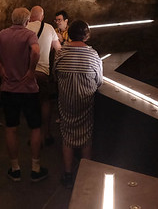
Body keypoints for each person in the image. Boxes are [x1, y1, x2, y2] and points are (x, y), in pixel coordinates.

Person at [0, 7, 49, 182]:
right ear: (27, 21)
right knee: (35, 127)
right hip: (28, 89)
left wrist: (0, 66)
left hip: (9, 89)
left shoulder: (2, 34)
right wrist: (31, 70)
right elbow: (35, 51)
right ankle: (35, 168)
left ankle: (15, 168)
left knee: (11, 128)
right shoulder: (29, 35)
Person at [53, 20, 103, 188]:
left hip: (66, 101)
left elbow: (55, 75)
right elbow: (99, 81)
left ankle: (68, 173)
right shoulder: (93, 55)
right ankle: (86, 175)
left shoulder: (61, 53)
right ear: (86, 35)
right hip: (85, 101)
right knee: (86, 136)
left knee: (66, 135)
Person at [26, 5, 61, 145]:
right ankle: (46, 133)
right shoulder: (49, 28)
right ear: (42, 16)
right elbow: (59, 49)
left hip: (28, 72)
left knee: (31, 104)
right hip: (43, 72)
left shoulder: (24, 28)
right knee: (45, 102)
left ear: (30, 16)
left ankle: (34, 135)